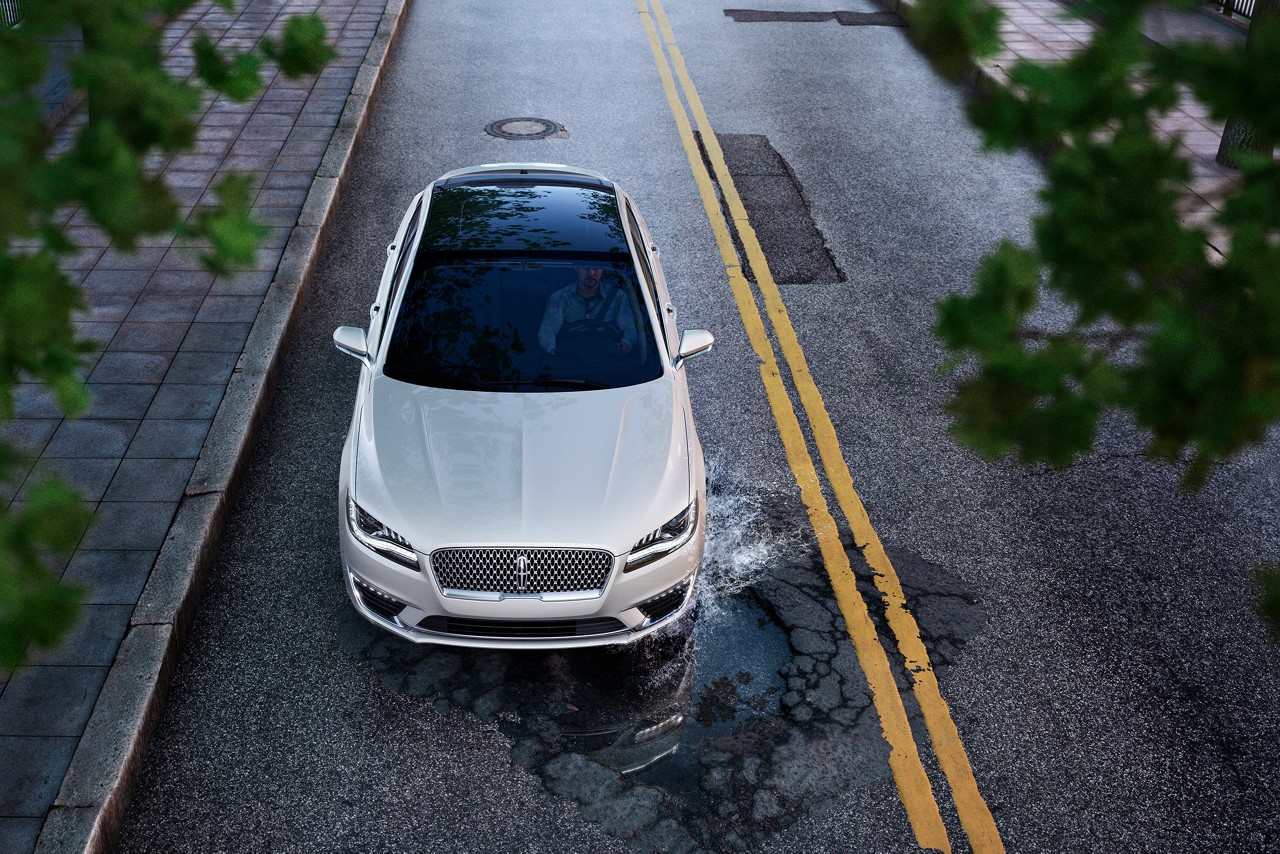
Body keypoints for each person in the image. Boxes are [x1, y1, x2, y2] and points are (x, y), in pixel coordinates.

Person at [538, 266, 638, 356]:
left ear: (602, 269)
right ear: (576, 268)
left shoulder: (618, 296)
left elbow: (630, 327)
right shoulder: (559, 297)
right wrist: (551, 349)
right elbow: (547, 329)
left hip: (608, 359)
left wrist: (626, 343)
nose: (591, 273)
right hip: (570, 359)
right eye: (585, 268)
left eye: (596, 268)